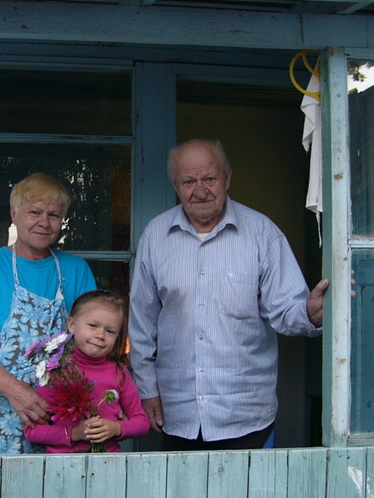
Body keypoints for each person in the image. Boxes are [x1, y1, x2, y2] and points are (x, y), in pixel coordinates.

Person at [129, 139, 329, 451]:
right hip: (176, 413)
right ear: (175, 185)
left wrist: (312, 314)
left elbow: (286, 309)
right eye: (189, 181)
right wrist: (147, 388)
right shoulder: (155, 236)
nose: (200, 190)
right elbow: (142, 322)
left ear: (227, 177)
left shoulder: (262, 233)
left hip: (247, 415)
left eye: (209, 178)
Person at [0, 173, 96, 454]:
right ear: (14, 214)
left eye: (53, 214)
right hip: (0, 410)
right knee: (3, 492)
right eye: (34, 212)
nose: (43, 222)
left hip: (61, 413)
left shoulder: (76, 270)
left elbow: (92, 344)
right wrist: (17, 392)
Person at [24, 290, 150, 453]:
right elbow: (32, 431)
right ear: (72, 325)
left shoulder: (120, 373)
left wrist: (116, 428)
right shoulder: (56, 370)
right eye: (93, 326)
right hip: (62, 467)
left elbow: (142, 423)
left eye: (110, 331)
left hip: (107, 463)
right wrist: (73, 433)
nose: (100, 335)